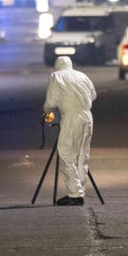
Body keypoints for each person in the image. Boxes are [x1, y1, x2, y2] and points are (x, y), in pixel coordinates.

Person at [43, 56, 97, 206]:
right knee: (82, 155)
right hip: (87, 116)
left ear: (57, 65)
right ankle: (79, 190)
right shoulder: (82, 75)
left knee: (66, 154)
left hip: (71, 117)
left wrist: (46, 110)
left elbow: (51, 101)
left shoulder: (56, 76)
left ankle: (75, 194)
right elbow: (93, 95)